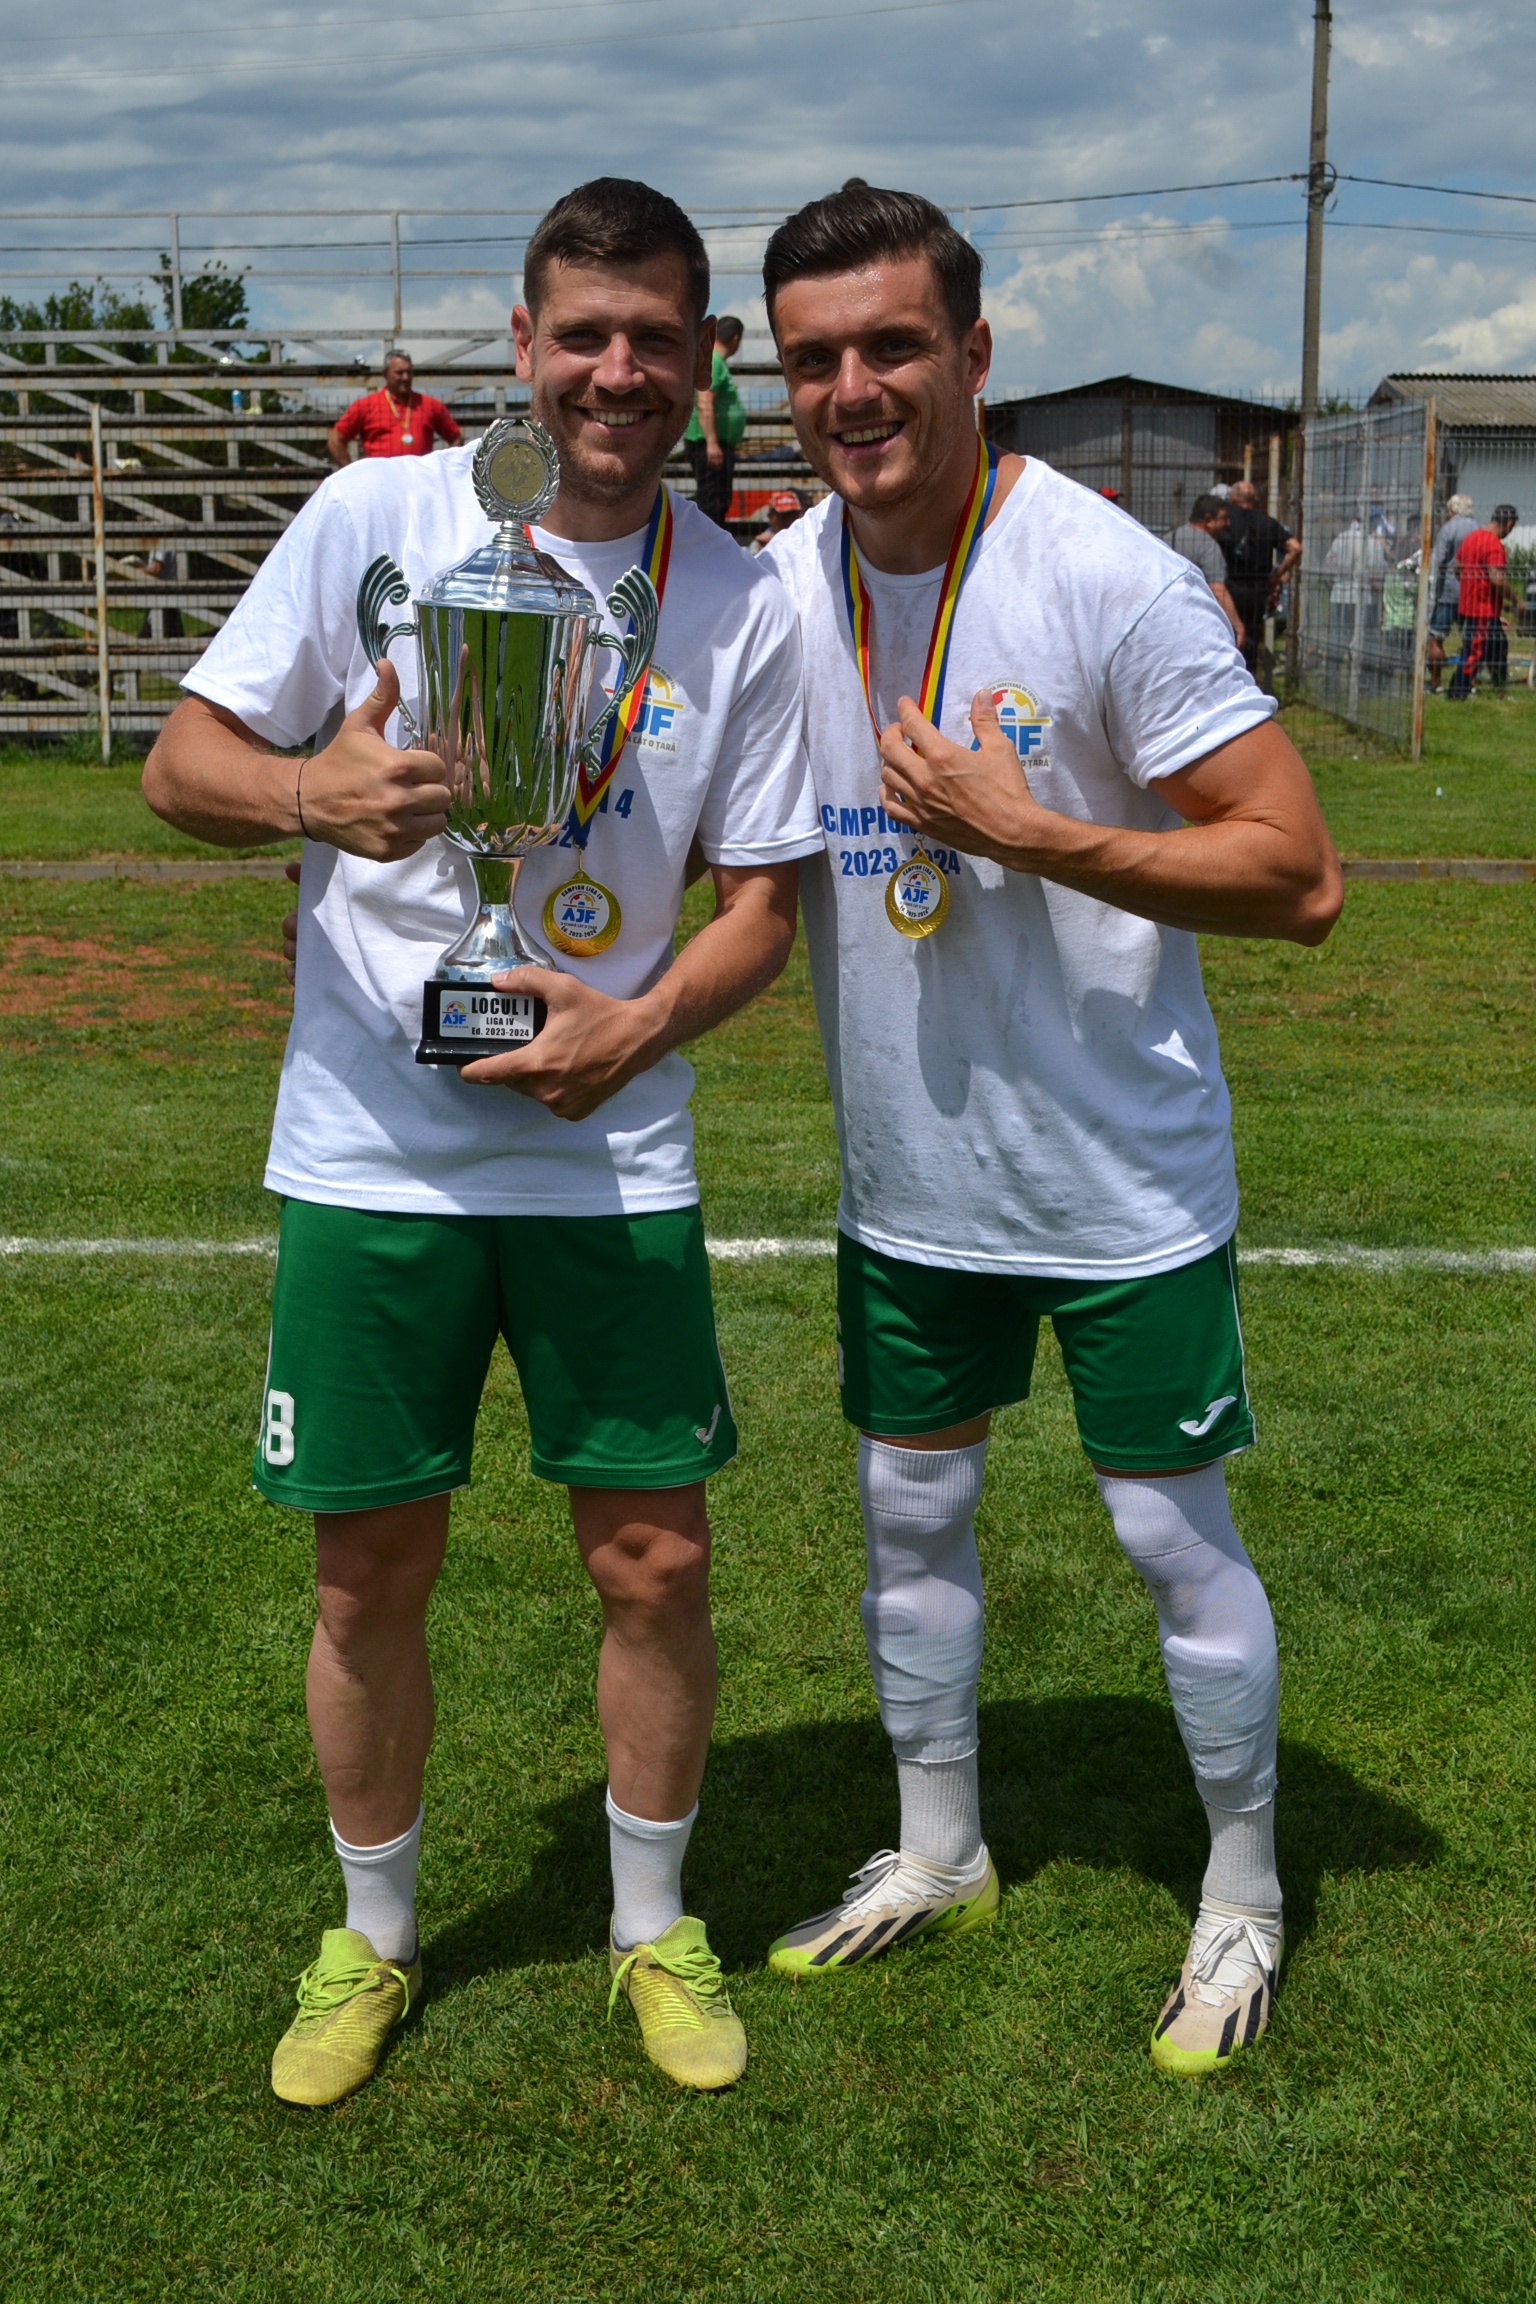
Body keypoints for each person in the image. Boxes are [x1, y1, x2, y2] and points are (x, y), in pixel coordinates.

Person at [142, 176, 823, 2106]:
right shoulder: (375, 518)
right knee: (367, 1571)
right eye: (581, 332)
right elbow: (182, 764)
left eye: (656, 337)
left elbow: (763, 906)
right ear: (519, 344)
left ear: (705, 361)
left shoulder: (744, 598)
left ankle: (647, 1925)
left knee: (654, 1560)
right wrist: (314, 791)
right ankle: (373, 1934)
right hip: (372, 1149)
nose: (617, 369)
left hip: (611, 1148)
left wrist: (641, 1021)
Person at [758, 181, 1342, 2076]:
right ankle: (941, 1848)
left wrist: (1036, 834)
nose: (855, 389)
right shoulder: (781, 584)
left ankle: (1241, 1894)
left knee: (1169, 1534)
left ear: (976, 354)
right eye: (816, 359)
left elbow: (1299, 871)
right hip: (911, 1177)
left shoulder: (1107, 575)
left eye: (893, 346)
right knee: (906, 1512)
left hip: (1117, 1178)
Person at [1223, 479, 1300, 681]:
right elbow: (1295, 548)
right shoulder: (1267, 522)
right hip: (1257, 590)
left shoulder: (1225, 520)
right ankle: (1248, 682)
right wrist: (1275, 576)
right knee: (1251, 639)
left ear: (1233, 498)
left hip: (1228, 589)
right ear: (1255, 499)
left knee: (1225, 636)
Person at [327, 350, 463, 465]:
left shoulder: (430, 405)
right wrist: (352, 474)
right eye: (399, 373)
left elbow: (456, 438)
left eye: (409, 372)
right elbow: (335, 441)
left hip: (419, 482)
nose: (405, 377)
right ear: (385, 373)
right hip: (381, 482)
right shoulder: (365, 405)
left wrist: (445, 469)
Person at [1448, 503, 1517, 700]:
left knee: (1498, 646)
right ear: (1509, 523)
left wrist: (1471, 586)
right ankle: (1458, 691)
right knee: (1474, 652)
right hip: (1482, 610)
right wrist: (1516, 600)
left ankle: (1500, 688)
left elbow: (1457, 568)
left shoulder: (1472, 538)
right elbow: (1497, 579)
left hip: (1471, 605)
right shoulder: (1493, 544)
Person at [683, 313, 745, 526]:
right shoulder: (715, 362)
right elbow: (705, 402)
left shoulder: (714, 361)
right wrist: (712, 442)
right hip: (709, 445)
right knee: (713, 501)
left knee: (715, 498)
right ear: (736, 339)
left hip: (712, 444)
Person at [1170, 495, 1244, 651]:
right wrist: (1238, 625)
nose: (1228, 523)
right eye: (1223, 518)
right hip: (1195, 623)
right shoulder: (1208, 545)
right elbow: (1217, 589)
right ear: (1208, 520)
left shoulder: (1171, 537)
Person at [1426, 493, 1476, 691]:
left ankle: (1436, 682)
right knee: (1469, 640)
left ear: (1453, 510)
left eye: (1448, 510)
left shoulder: (1448, 529)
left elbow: (1438, 559)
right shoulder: (1477, 528)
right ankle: (1470, 683)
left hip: (1447, 592)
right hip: (1470, 592)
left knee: (1436, 638)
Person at [750, 489, 805, 555]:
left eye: (793, 515)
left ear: (800, 515)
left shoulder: (807, 536)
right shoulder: (761, 542)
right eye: (783, 516)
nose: (788, 520)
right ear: (770, 517)